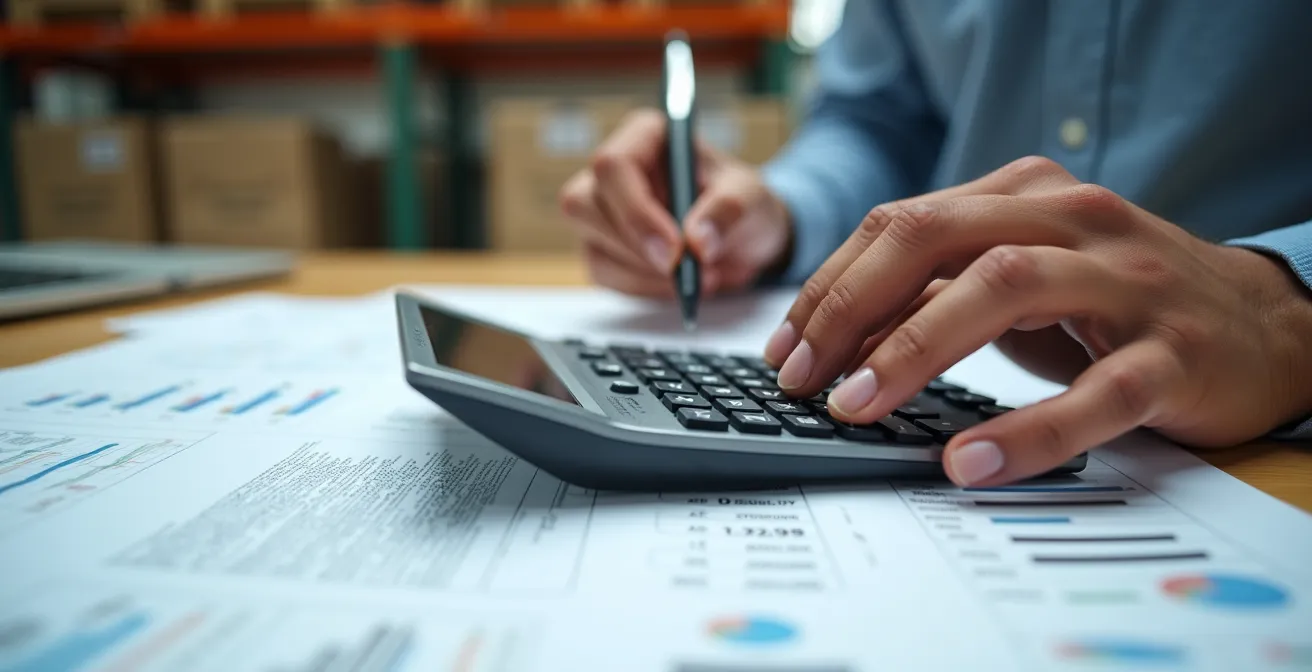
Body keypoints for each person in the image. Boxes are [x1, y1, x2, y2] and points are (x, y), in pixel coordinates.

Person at [558, 1, 1312, 487]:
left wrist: (1283, 312)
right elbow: (881, 119)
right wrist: (783, 214)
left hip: (1261, 442)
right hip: (970, 351)